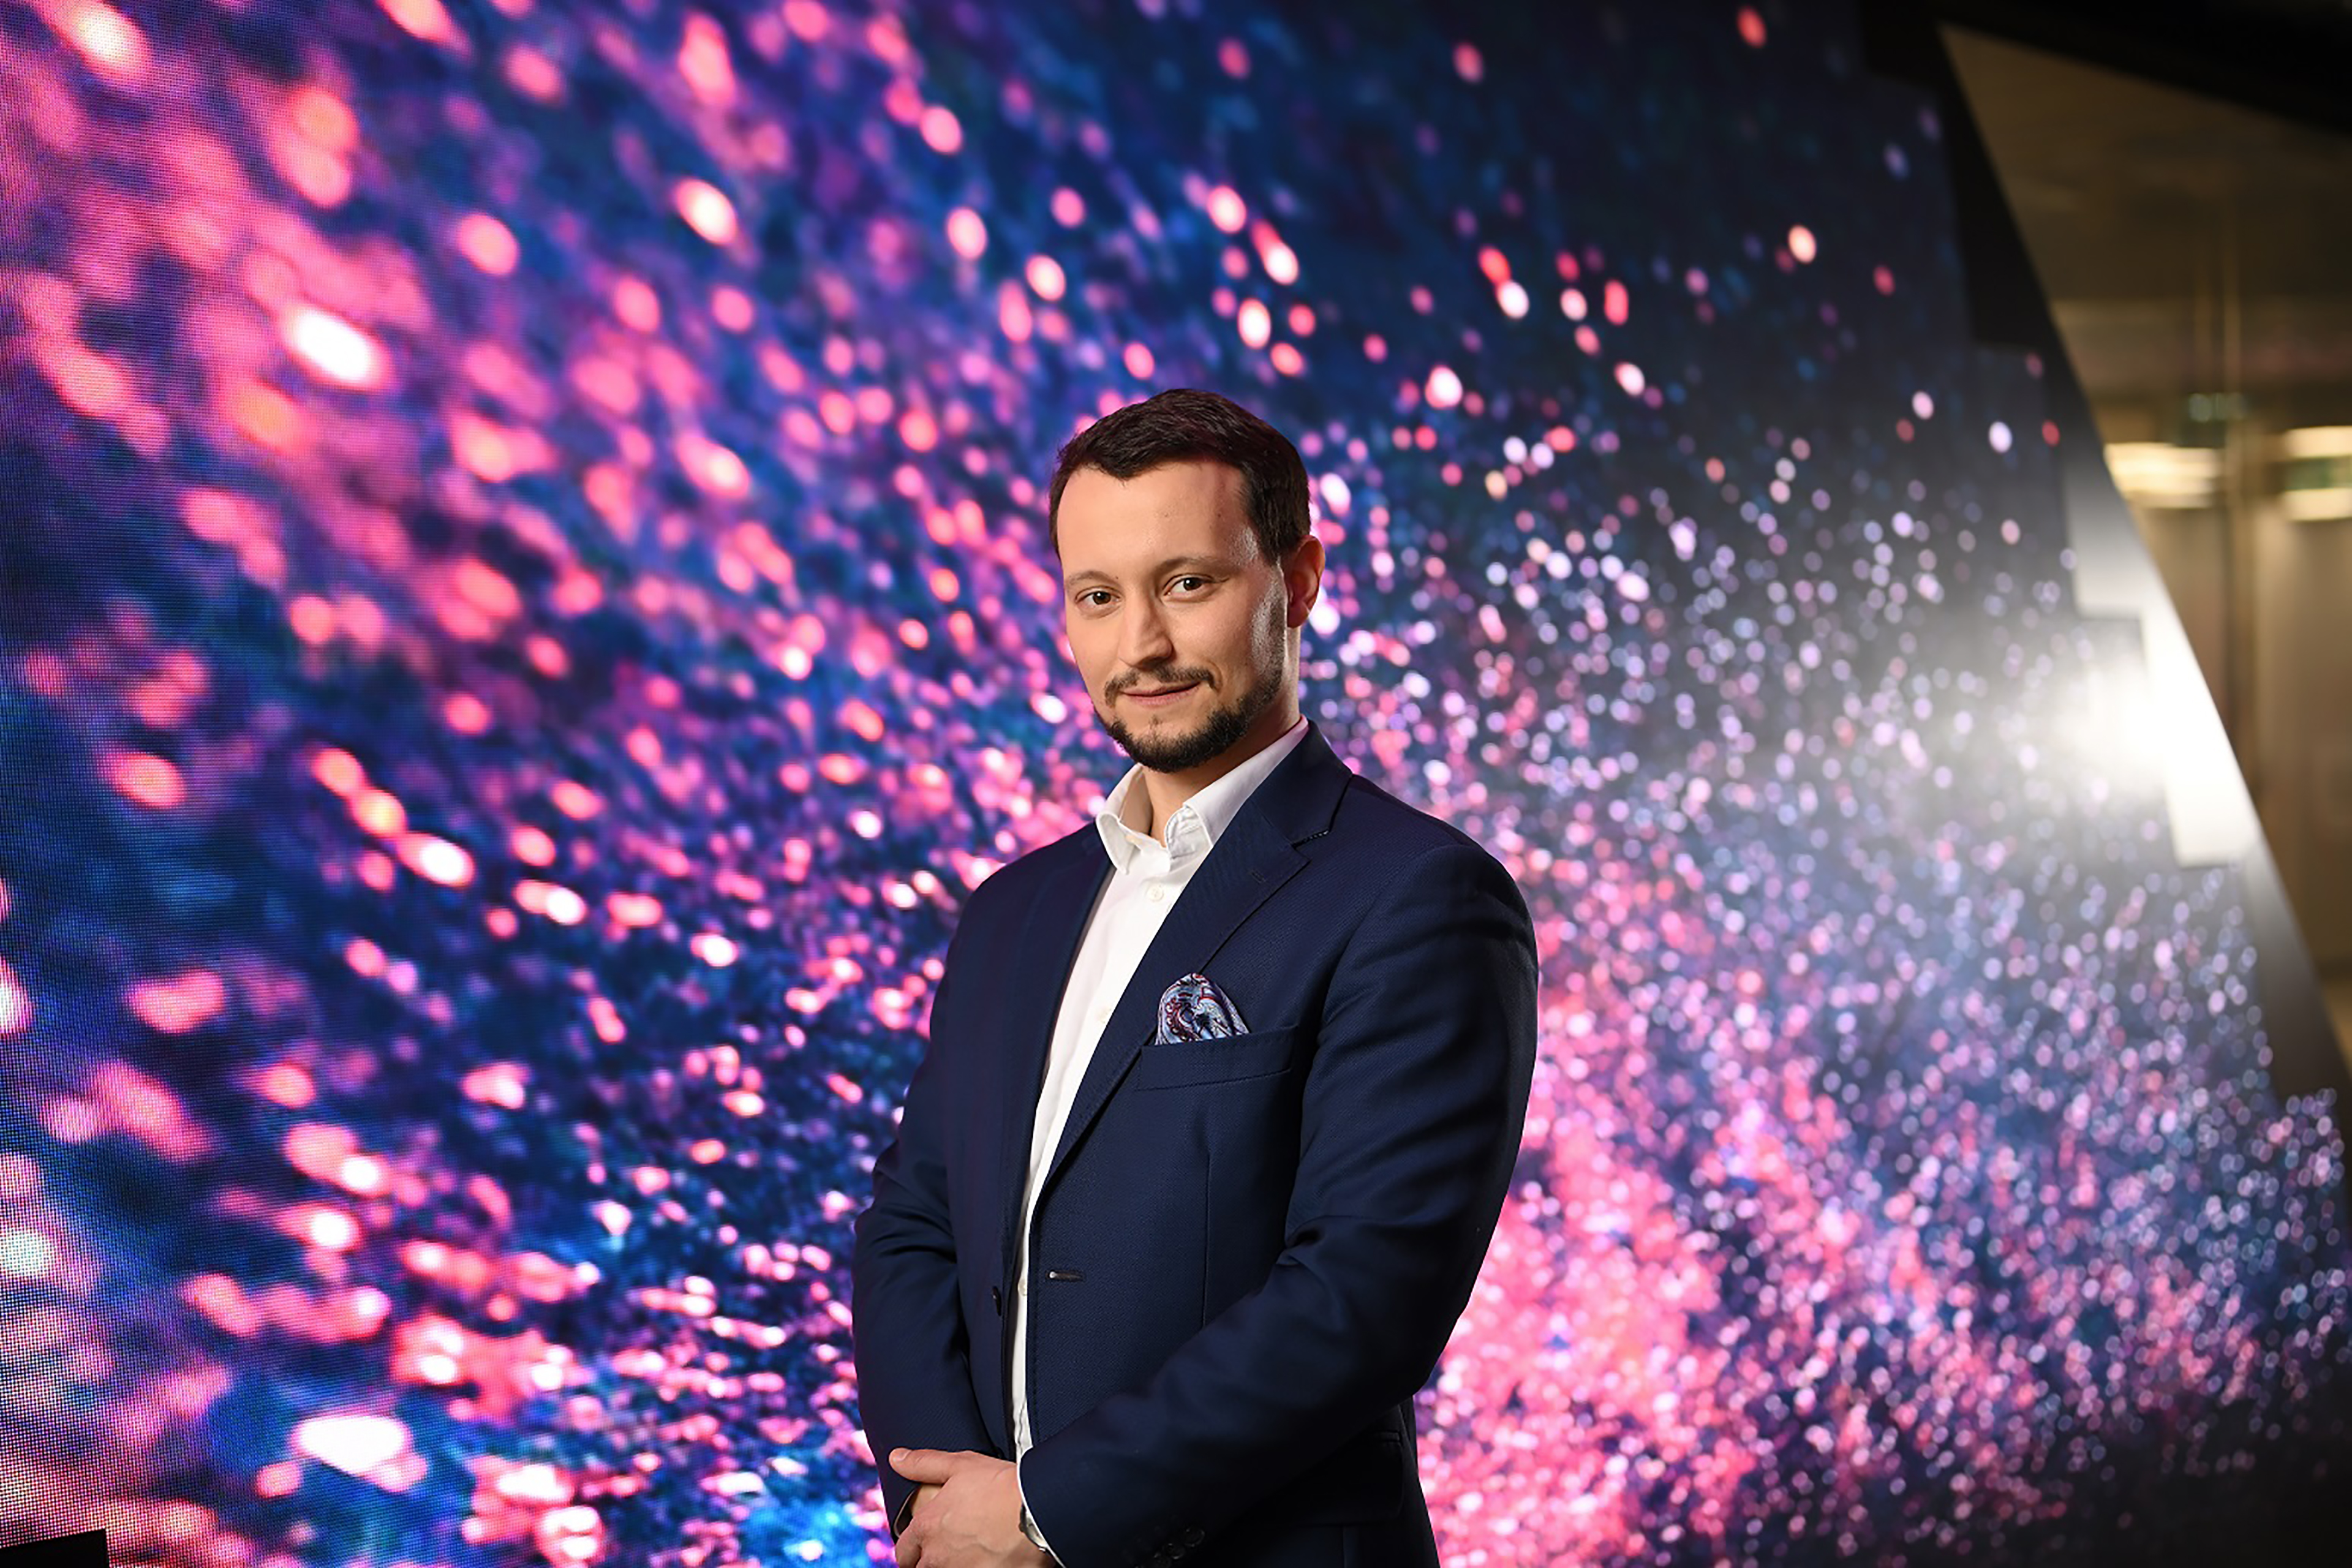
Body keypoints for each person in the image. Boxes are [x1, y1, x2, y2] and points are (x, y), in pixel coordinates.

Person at [850, 388, 1539, 1568]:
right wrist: (944, 1507)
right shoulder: (1011, 911)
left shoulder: (1420, 895)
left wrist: (1047, 1517)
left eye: (1186, 583)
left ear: (1297, 583)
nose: (1141, 647)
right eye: (1097, 596)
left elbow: (1364, 1297)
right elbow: (913, 1226)